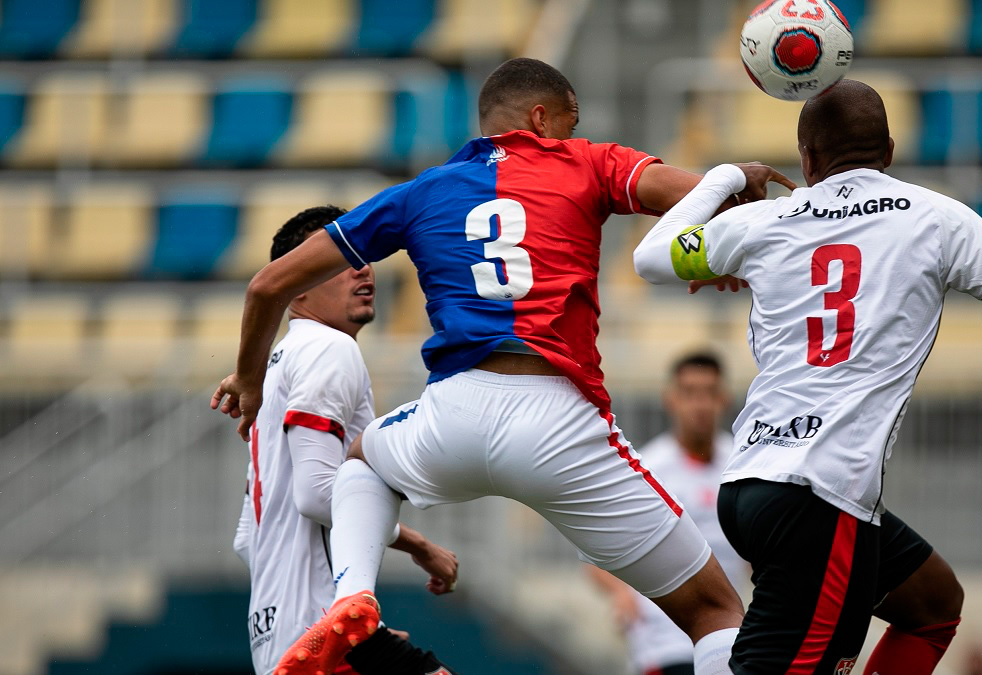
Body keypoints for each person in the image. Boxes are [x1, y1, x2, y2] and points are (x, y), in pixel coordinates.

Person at [211, 58, 794, 675]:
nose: (572, 136)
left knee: (361, 462)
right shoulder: (590, 162)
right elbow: (706, 198)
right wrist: (736, 204)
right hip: (558, 420)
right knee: (714, 610)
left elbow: (266, 287)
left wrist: (248, 378)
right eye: (568, 123)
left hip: (452, 416)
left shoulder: (422, 191)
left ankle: (353, 596)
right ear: (542, 118)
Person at [632, 79, 982, 675]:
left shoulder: (767, 221)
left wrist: (725, 177)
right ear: (890, 151)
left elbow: (650, 258)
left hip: (750, 484)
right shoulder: (939, 218)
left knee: (932, 603)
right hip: (823, 497)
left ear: (806, 160)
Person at [229, 205, 459, 675]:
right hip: (322, 634)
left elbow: (247, 537)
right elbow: (316, 495)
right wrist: (416, 543)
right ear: (297, 283)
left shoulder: (280, 361)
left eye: (364, 254)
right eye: (339, 260)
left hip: (280, 634)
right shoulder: (327, 349)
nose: (363, 266)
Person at [586, 352, 751, 675]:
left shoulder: (741, 465)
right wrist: (622, 595)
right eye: (690, 393)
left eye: (709, 393)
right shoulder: (647, 469)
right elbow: (595, 553)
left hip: (727, 637)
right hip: (662, 640)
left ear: (724, 399)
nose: (700, 404)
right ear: (671, 399)